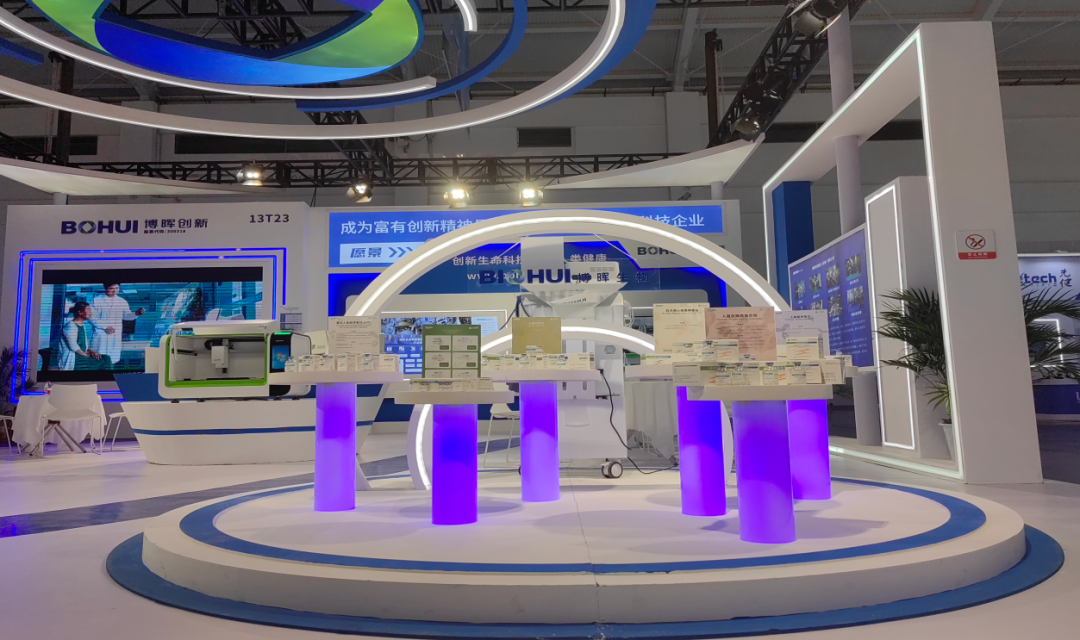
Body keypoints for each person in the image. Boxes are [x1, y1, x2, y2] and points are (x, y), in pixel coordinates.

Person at [91, 283, 145, 367]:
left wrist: (136, 314)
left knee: (111, 362)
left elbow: (127, 316)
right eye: (111, 288)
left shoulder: (122, 301)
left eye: (117, 288)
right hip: (101, 335)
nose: (115, 291)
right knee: (98, 361)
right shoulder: (96, 300)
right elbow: (91, 317)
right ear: (105, 288)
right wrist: (105, 327)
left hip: (114, 336)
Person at [57, 302, 111, 371]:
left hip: (81, 356)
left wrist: (93, 352)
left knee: (106, 358)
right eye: (88, 310)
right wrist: (87, 355)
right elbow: (73, 347)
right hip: (75, 359)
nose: (90, 313)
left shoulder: (82, 325)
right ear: (80, 312)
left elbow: (85, 345)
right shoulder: (70, 326)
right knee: (104, 361)